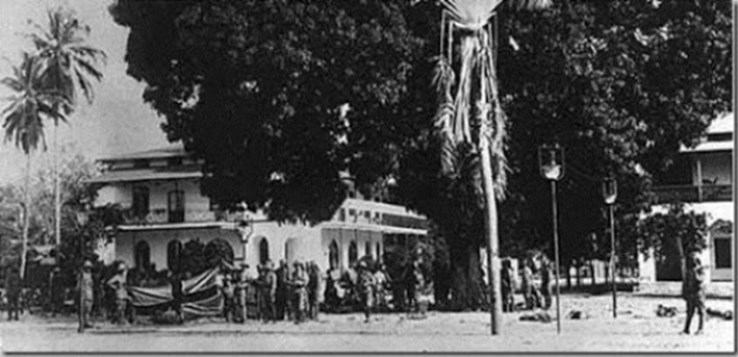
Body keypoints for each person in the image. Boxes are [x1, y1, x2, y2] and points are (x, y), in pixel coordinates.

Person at [682, 251, 706, 335]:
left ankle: (701, 328)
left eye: (694, 259)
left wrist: (695, 272)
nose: (692, 261)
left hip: (698, 293)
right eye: (691, 260)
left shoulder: (700, 269)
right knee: (689, 312)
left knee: (701, 311)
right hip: (690, 293)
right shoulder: (688, 270)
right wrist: (684, 292)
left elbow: (700, 280)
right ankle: (686, 329)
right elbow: (685, 282)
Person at [78, 260, 94, 329]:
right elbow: (80, 285)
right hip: (84, 294)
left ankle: (87, 322)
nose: (88, 269)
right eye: (87, 267)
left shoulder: (90, 275)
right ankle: (82, 324)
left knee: (88, 309)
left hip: (90, 293)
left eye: (89, 267)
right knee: (83, 309)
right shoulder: (82, 275)